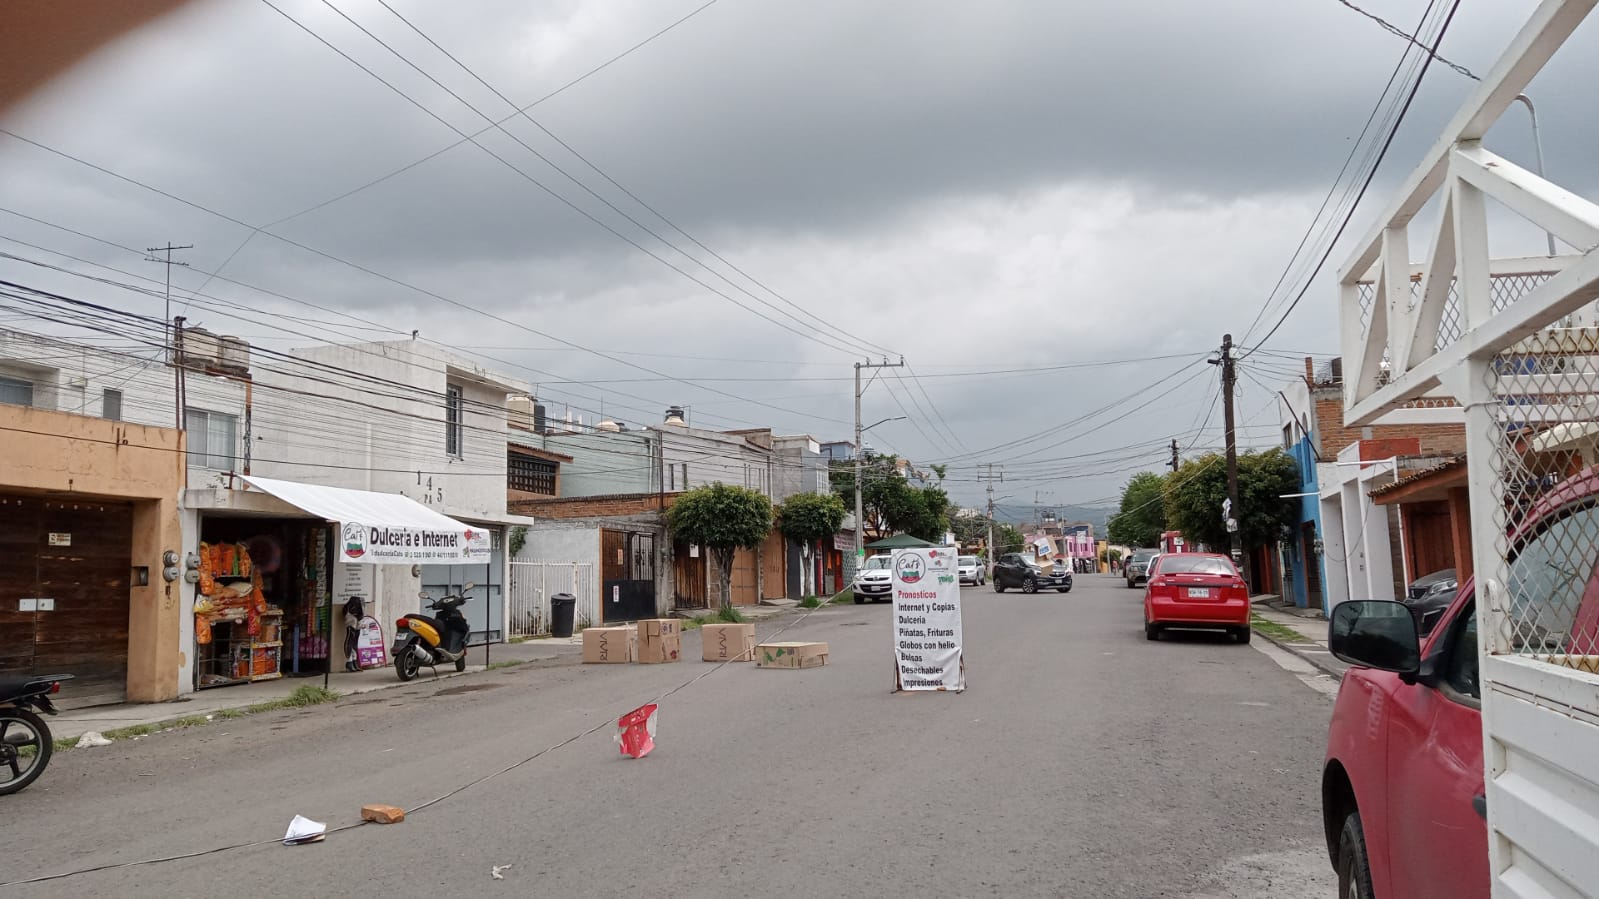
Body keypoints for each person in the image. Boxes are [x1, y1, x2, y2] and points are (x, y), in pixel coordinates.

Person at [343, 596, 364, 672]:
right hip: (353, 617)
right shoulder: (355, 604)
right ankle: (350, 661)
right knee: (351, 640)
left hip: (356, 617)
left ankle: (353, 661)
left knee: (354, 641)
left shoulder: (355, 603)